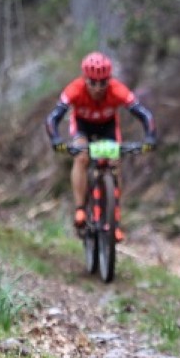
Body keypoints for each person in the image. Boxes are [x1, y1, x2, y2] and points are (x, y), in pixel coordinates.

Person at [44, 52, 157, 242]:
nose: (98, 87)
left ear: (109, 80)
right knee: (81, 157)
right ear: (84, 78)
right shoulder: (74, 89)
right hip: (82, 126)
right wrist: (56, 140)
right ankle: (81, 208)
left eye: (103, 82)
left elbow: (145, 115)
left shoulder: (118, 90)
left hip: (108, 127)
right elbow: (52, 118)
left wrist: (150, 138)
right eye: (93, 82)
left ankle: (115, 219)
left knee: (115, 162)